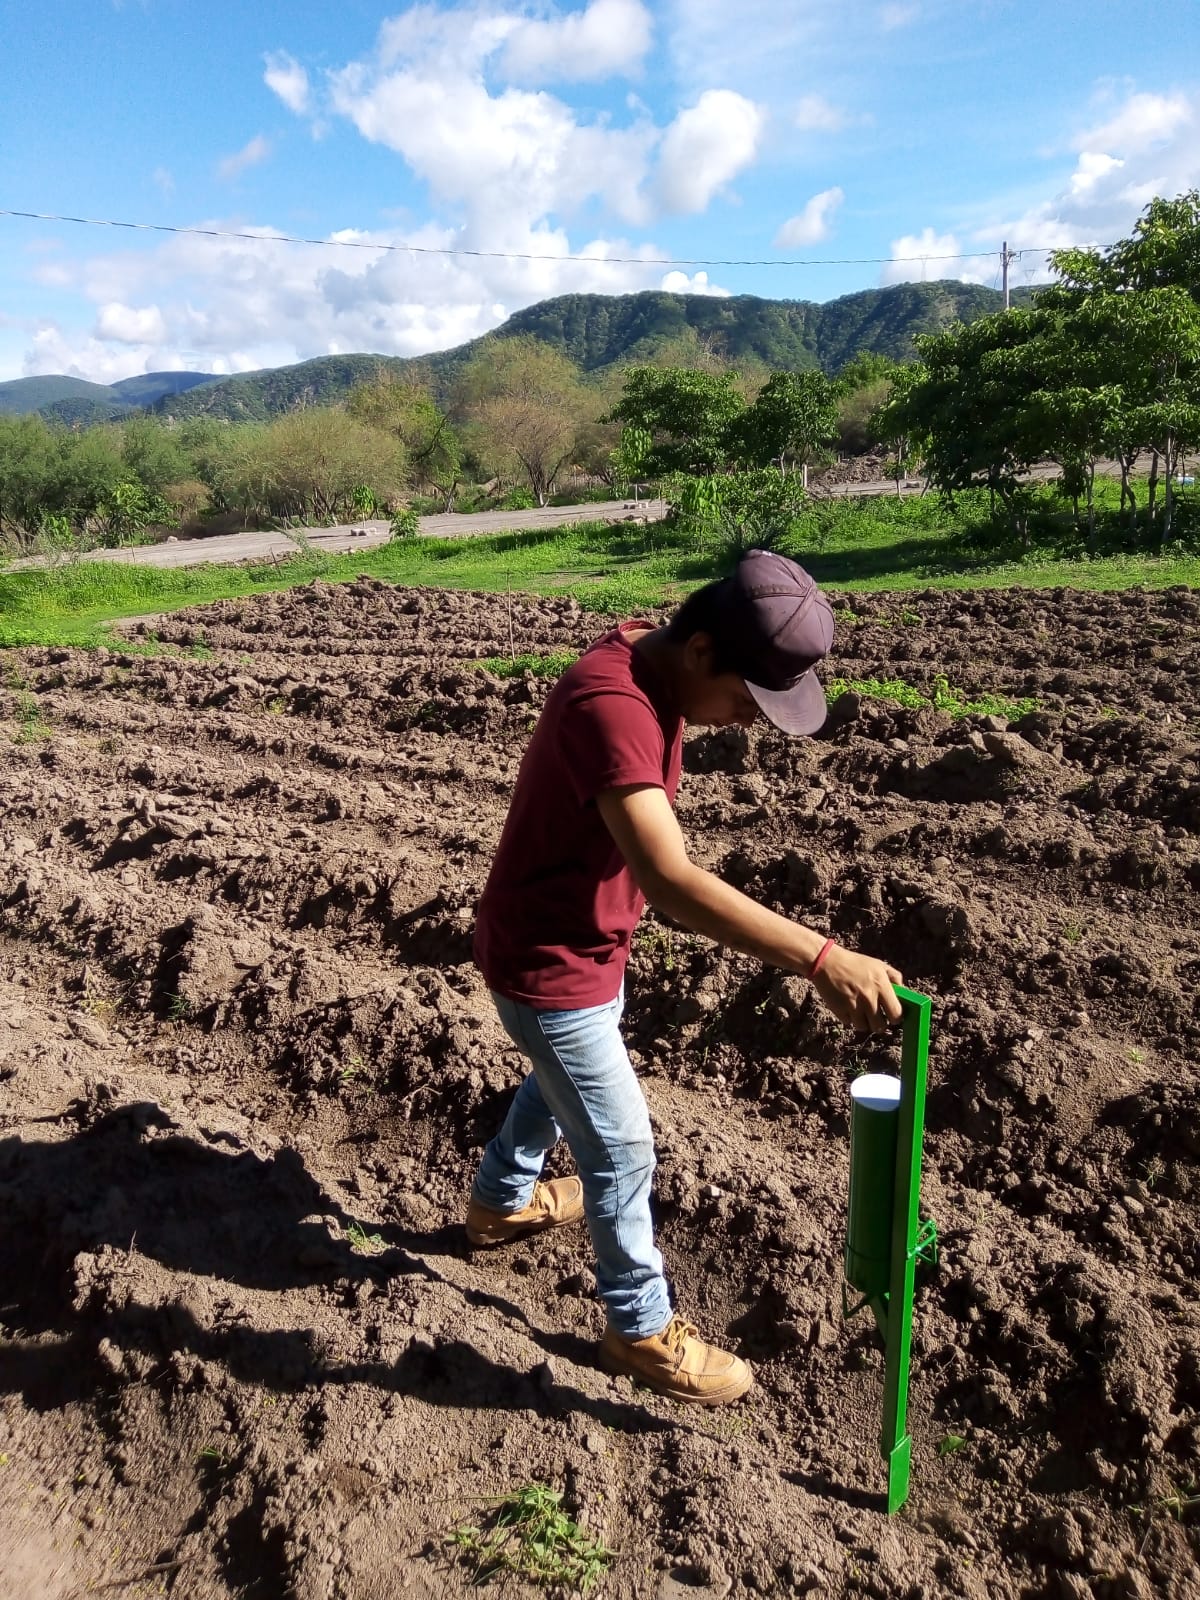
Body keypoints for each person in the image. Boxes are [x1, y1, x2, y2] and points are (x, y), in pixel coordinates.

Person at [465, 550, 903, 1406]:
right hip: (549, 963)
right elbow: (670, 879)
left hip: (586, 949)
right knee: (622, 1144)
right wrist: (819, 957)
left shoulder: (650, 658)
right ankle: (637, 1330)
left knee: (557, 1082)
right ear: (701, 649)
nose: (745, 721)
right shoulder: (612, 704)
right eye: (747, 699)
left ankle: (499, 1205)